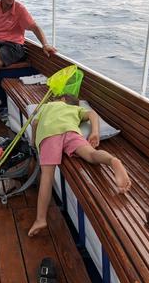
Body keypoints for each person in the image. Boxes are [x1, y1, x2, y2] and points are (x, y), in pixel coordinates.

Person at [28, 94, 132, 237]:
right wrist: (95, 132)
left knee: (47, 176)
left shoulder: (47, 106)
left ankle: (40, 219)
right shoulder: (76, 110)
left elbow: (34, 124)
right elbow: (92, 114)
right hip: (71, 132)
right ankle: (112, 160)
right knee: (91, 155)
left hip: (50, 135)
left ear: (62, 99)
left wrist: (34, 141)